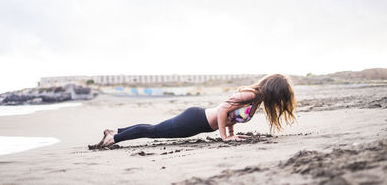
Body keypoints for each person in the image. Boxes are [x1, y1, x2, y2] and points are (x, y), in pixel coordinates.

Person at [94, 74, 296, 147]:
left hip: (200, 121)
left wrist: (232, 134)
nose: (280, 100)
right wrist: (225, 138)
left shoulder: (256, 98)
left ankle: (117, 132)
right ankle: (114, 138)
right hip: (195, 120)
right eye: (281, 96)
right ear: (273, 90)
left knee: (153, 129)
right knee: (153, 131)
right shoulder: (251, 94)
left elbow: (231, 117)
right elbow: (224, 108)